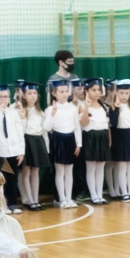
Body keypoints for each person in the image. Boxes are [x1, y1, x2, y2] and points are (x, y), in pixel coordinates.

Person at [0, 85, 25, 215]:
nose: (3, 99)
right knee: (2, 181)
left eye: (6, 97)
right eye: (0, 97)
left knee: (13, 180)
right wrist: (1, 113)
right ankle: (2, 205)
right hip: (0, 152)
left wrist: (21, 151)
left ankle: (13, 204)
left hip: (14, 151)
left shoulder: (13, 113)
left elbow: (20, 132)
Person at [46, 79, 81, 208]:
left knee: (69, 171)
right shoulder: (50, 109)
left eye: (66, 91)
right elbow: (47, 128)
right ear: (54, 93)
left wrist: (79, 144)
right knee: (60, 171)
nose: (64, 94)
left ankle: (69, 197)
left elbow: (76, 126)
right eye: (61, 92)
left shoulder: (73, 108)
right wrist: (52, 114)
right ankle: (62, 199)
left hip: (70, 140)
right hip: (58, 140)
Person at [16, 81, 50, 211]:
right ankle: (29, 200)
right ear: (24, 96)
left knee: (35, 172)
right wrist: (23, 117)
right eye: (29, 93)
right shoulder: (22, 111)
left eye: (35, 93)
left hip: (38, 141)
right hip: (27, 142)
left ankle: (36, 199)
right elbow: (21, 130)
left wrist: (46, 148)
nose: (33, 96)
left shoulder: (40, 112)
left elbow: (44, 131)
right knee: (26, 172)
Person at [80, 78, 111, 205]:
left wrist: (109, 139)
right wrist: (87, 106)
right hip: (90, 137)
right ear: (86, 91)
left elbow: (107, 125)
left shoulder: (104, 106)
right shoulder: (82, 106)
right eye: (93, 90)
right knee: (91, 168)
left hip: (102, 137)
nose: (97, 92)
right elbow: (83, 123)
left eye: (98, 90)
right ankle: (93, 195)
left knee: (100, 167)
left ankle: (99, 194)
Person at [108, 79, 130, 202]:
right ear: (116, 93)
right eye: (121, 93)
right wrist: (116, 110)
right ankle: (124, 193)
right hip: (119, 138)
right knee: (121, 166)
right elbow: (113, 124)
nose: (124, 96)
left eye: (126, 93)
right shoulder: (113, 107)